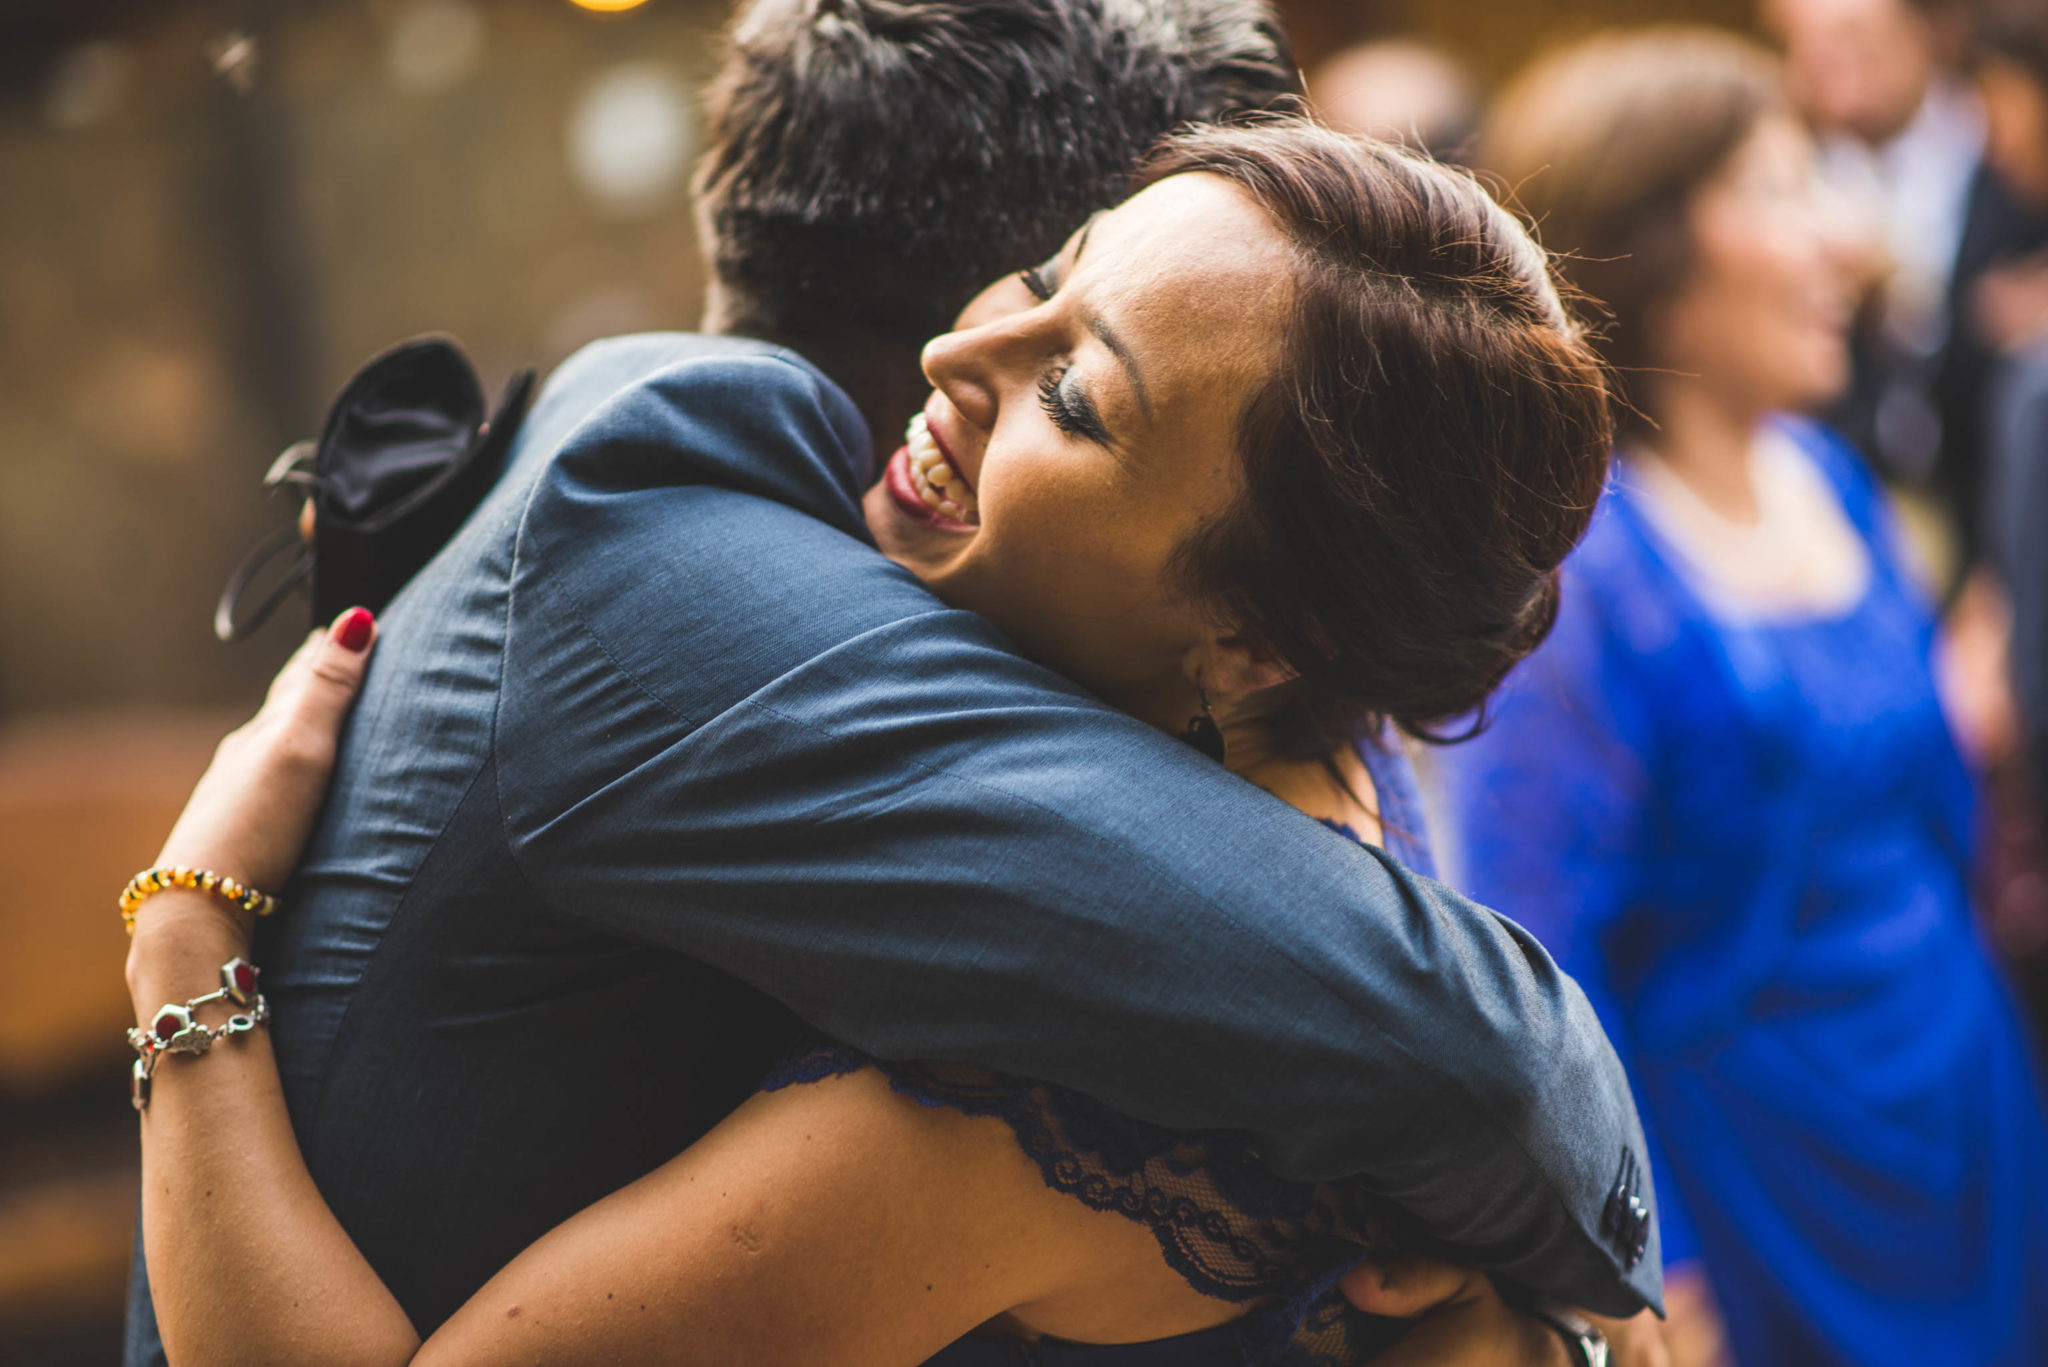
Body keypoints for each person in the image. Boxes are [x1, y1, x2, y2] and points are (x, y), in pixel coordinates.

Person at [121, 2, 1662, 1362]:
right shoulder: (1319, 757)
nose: (956, 353)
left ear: (1263, 632)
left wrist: (185, 936)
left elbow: (1430, 1040)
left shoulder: (1025, 1103)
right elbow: (1440, 1047)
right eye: (1044, 275)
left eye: (1078, 390)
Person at [1442, 26, 2048, 1367]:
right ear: (1648, 244)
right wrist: (1652, 1259)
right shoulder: (1580, 575)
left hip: (1958, 1108)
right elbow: (1536, 949)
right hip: (1759, 1176)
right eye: (1781, 190)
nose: (1842, 238)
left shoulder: (1825, 477)